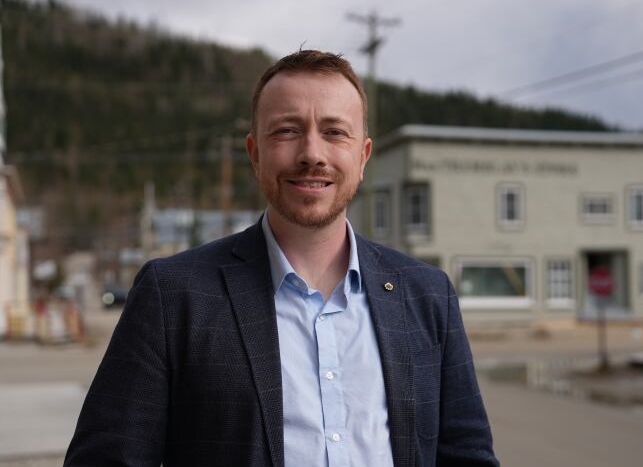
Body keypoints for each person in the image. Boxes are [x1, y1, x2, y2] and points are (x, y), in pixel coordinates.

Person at [65, 49, 498, 467]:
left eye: (334, 132)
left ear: (363, 157)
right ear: (255, 153)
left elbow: (467, 458)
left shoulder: (427, 295)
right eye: (287, 131)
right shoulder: (174, 295)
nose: (312, 153)